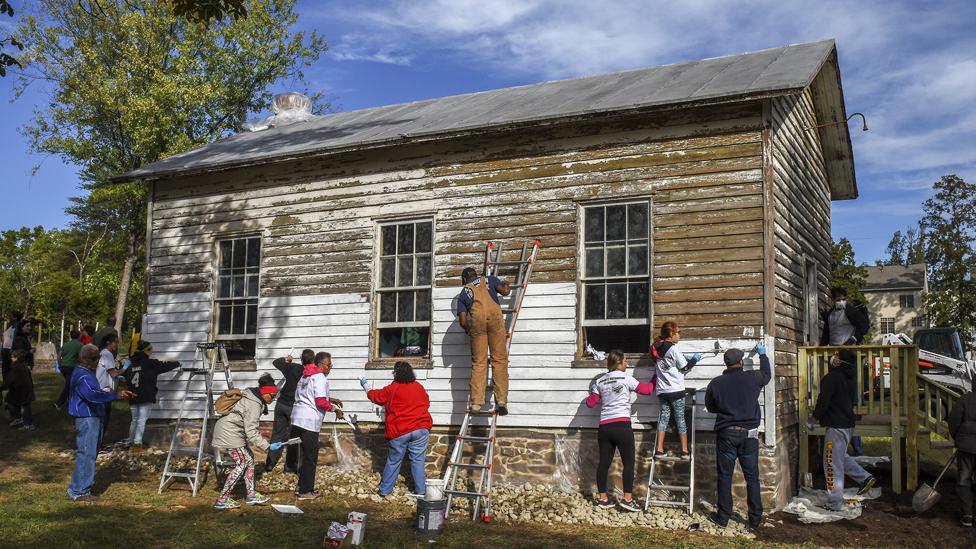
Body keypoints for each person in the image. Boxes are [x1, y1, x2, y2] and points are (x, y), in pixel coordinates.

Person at [705, 343, 772, 530]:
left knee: (725, 476)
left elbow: (711, 407)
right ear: (741, 362)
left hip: (726, 434)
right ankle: (754, 520)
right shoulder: (753, 377)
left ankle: (723, 517)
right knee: (752, 477)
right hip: (749, 435)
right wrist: (763, 355)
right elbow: (767, 374)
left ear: (727, 364)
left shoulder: (716, 383)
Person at [585, 350, 655, 512]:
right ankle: (627, 499)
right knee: (628, 463)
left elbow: (590, 403)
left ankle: (603, 499)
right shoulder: (627, 378)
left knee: (603, 463)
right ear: (618, 363)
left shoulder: (600, 381)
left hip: (605, 427)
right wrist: (656, 376)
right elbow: (647, 390)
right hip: (622, 426)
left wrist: (595, 391)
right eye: (625, 361)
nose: (627, 363)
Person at [810, 349, 876, 511]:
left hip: (836, 426)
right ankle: (865, 478)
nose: (833, 358)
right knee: (840, 457)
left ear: (838, 362)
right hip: (847, 424)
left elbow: (823, 401)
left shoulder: (832, 378)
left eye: (836, 356)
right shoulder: (850, 377)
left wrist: (814, 418)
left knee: (831, 462)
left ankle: (834, 503)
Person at [67, 344, 134, 500]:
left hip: (92, 416)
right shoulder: (83, 375)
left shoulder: (86, 372)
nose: (97, 361)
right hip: (87, 417)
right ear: (83, 358)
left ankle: (78, 488)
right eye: (93, 358)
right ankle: (79, 492)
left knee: (89, 453)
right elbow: (92, 395)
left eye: (97, 358)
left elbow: (94, 393)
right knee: (87, 454)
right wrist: (114, 396)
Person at [361, 361, 433, 497]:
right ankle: (421, 491)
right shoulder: (419, 387)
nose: (393, 374)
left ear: (397, 373)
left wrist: (365, 385)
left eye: (394, 371)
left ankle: (385, 490)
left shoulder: (393, 388)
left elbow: (375, 396)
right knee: (418, 461)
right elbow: (426, 402)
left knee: (394, 461)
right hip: (420, 428)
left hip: (399, 430)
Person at [212, 373, 278, 509]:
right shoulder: (254, 404)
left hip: (234, 432)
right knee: (242, 463)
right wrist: (268, 447)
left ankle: (251, 495)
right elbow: (252, 432)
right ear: (265, 393)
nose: (274, 398)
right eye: (272, 396)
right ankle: (222, 500)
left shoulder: (254, 397)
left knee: (249, 460)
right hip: (229, 433)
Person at [456, 267, 512, 415]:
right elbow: (505, 292)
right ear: (477, 275)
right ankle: (501, 400)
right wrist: (507, 284)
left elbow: (462, 321)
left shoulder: (464, 292)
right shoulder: (490, 279)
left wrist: (471, 330)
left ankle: (476, 403)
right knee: (499, 359)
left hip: (477, 324)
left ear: (463, 280)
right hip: (495, 321)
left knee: (479, 363)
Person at [290, 351, 344, 499]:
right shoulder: (319, 377)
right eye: (329, 365)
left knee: (304, 455)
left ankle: (301, 486)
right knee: (310, 456)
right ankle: (305, 491)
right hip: (309, 421)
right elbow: (319, 401)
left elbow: (309, 395)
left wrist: (330, 399)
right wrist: (335, 410)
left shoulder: (306, 375)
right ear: (320, 365)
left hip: (297, 418)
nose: (330, 368)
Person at [651, 321, 700, 455]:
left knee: (664, 419)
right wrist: (695, 359)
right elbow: (684, 367)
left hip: (662, 391)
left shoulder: (656, 347)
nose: (680, 335)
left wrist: (683, 358)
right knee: (680, 419)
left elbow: (669, 363)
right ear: (671, 334)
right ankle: (684, 449)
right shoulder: (673, 349)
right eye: (678, 332)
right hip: (676, 391)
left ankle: (659, 448)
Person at [125, 340, 180, 451]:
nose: (151, 352)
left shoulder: (131, 365)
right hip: (146, 395)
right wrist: (177, 363)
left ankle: (130, 441)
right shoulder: (150, 364)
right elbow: (164, 366)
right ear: (147, 351)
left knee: (134, 419)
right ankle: (137, 444)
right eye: (151, 350)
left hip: (132, 395)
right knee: (141, 420)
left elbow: (126, 377)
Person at [265, 349, 312, 473]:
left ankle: (270, 463)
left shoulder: (291, 367)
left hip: (281, 404)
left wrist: (286, 360)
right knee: (294, 437)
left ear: (301, 359)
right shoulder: (310, 374)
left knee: (277, 433)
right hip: (295, 407)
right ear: (312, 361)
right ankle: (290, 466)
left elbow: (276, 362)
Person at [948, 385, 976, 527]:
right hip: (966, 445)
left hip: (966, 447)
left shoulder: (965, 399)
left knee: (964, 480)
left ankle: (967, 515)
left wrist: (958, 438)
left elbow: (953, 421)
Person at [96, 333, 121, 448]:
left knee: (101, 419)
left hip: (101, 389)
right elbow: (114, 373)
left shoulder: (102, 353)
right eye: (115, 342)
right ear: (108, 343)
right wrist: (125, 369)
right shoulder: (107, 354)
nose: (117, 344)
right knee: (103, 419)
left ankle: (98, 443)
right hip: (104, 390)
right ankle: (99, 444)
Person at [2, 349, 36, 430]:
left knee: (24, 407)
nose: (11, 358)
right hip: (22, 390)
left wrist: (2, 387)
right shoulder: (23, 366)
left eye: (12, 357)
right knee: (11, 401)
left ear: (16, 358)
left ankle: (28, 424)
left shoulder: (15, 368)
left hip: (22, 391)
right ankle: (19, 418)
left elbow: (9, 381)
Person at [55, 329, 84, 410]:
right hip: (72, 367)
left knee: (70, 385)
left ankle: (70, 401)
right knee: (69, 386)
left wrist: (60, 365)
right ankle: (58, 403)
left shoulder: (66, 344)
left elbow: (59, 355)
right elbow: (81, 357)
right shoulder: (80, 345)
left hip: (64, 367)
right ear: (78, 336)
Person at [1, 310, 22, 382]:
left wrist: (12, 349)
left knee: (10, 369)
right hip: (5, 350)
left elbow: (15, 338)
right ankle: (6, 383)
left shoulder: (17, 326)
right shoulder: (11, 326)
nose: (9, 318)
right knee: (5, 369)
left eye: (11, 316)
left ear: (15, 318)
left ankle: (10, 384)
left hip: (10, 350)